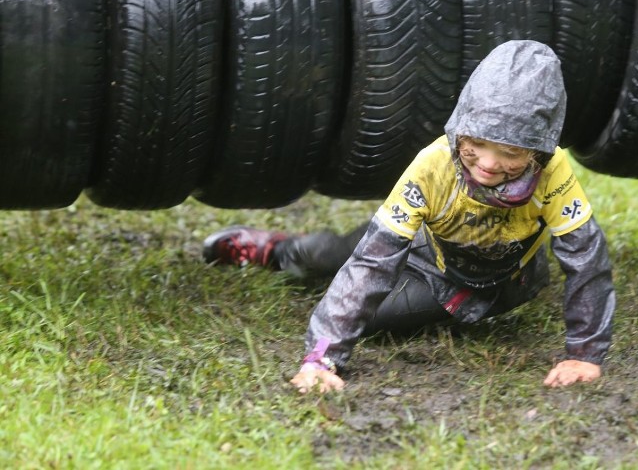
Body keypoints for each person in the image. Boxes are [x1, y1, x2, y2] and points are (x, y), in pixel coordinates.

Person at [203, 40, 616, 394]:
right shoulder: (432, 165)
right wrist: (321, 359)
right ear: (461, 128)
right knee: (336, 253)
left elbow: (587, 260)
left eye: (511, 153)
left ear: (539, 151)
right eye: (478, 143)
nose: (489, 163)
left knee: (376, 319)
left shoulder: (554, 171)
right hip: (423, 239)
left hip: (472, 281)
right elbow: (372, 260)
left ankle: (323, 283)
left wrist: (584, 354)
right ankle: (283, 252)